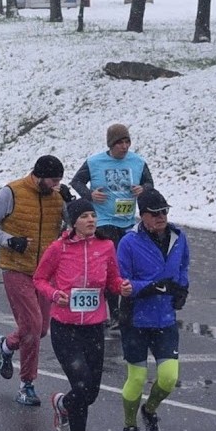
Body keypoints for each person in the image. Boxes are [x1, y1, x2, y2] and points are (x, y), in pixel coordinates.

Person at [33, 198, 131, 431]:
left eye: (93, 215)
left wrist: (120, 286)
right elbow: (39, 279)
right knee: (82, 385)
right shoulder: (58, 248)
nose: (91, 220)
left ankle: (63, 404)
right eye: (85, 216)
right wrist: (55, 295)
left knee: (92, 392)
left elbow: (112, 279)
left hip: (93, 327)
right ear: (73, 221)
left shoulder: (106, 246)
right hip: (65, 326)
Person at [0, 154, 66, 408]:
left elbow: (73, 226)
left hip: (46, 272)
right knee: (32, 325)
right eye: (52, 180)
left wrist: (72, 204)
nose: (56, 186)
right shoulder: (12, 192)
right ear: (38, 177)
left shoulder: (59, 196)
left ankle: (6, 345)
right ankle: (27, 385)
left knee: (40, 330)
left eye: (59, 181)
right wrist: (9, 240)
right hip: (16, 268)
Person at [116, 189, 190, 431]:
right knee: (136, 379)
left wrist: (182, 288)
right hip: (135, 318)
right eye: (155, 213)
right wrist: (150, 287)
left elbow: (183, 267)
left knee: (169, 378)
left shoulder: (179, 237)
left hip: (165, 318)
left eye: (165, 212)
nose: (161, 217)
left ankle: (149, 410)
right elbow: (122, 282)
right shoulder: (128, 242)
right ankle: (129, 428)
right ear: (143, 216)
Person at [72, 124, 154, 324]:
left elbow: (150, 183)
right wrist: (90, 194)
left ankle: (124, 312)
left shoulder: (137, 162)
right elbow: (76, 182)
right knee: (110, 266)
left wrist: (143, 189)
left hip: (127, 222)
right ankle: (115, 313)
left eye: (127, 142)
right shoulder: (94, 162)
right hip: (104, 220)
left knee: (126, 267)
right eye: (120, 143)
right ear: (111, 144)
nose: (124, 147)